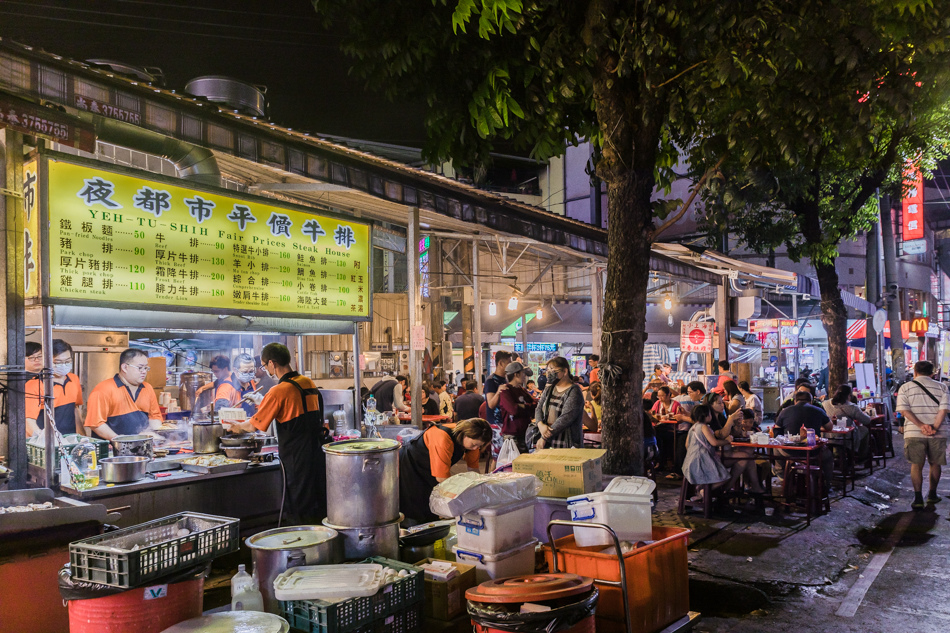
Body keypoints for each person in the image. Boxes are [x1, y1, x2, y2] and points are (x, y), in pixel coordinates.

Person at [223, 343, 328, 524]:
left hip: (295, 460)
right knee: (317, 506)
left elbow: (253, 426)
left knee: (298, 509)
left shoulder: (279, 390)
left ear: (272, 363)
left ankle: (300, 549)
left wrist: (235, 427)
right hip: (316, 455)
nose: (264, 369)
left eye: (264, 366)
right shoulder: (307, 382)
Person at [399, 418, 493, 523]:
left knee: (430, 504)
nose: (476, 448)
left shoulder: (472, 443)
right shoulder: (442, 437)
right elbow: (442, 478)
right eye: (474, 444)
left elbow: (474, 470)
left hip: (430, 467)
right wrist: (461, 497)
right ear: (465, 435)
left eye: (479, 446)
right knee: (414, 505)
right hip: (410, 464)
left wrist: (479, 489)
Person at [896, 360, 949, 510]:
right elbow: (943, 410)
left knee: (916, 465)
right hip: (938, 433)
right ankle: (932, 494)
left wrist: (921, 426)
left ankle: (918, 498)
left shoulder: (905, 388)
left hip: (914, 432)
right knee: (935, 463)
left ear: (915, 372)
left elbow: (904, 411)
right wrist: (933, 428)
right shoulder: (942, 387)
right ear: (933, 373)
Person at [85, 348, 163, 440]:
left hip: (142, 447)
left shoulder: (148, 388)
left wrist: (154, 435)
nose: (144, 371)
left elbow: (154, 416)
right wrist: (119, 440)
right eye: (140, 367)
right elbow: (96, 424)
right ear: (125, 367)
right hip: (113, 449)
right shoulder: (103, 390)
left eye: (146, 368)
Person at [25, 339, 84, 437]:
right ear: (46, 361)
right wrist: (45, 442)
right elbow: (28, 421)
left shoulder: (74, 379)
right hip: (46, 444)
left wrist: (82, 435)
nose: (64, 365)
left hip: (70, 440)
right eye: (58, 362)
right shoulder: (34, 385)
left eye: (68, 361)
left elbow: (75, 409)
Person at [530, 356, 585, 450]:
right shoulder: (549, 389)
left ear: (565, 371)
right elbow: (539, 408)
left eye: (552, 369)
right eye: (548, 370)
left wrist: (544, 437)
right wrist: (540, 425)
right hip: (549, 442)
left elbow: (565, 418)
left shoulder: (574, 391)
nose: (549, 373)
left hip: (567, 444)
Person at [681, 404, 732, 499]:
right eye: (710, 414)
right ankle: (703, 490)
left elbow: (686, 445)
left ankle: (701, 490)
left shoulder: (693, 427)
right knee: (725, 477)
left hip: (689, 463)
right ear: (706, 416)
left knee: (720, 474)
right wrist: (727, 441)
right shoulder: (704, 427)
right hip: (702, 462)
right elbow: (714, 443)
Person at [822, 384, 872, 462]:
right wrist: (866, 413)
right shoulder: (852, 407)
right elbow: (866, 420)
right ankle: (861, 456)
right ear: (849, 395)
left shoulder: (825, 403)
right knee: (865, 430)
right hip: (846, 436)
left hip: (827, 436)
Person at [499, 361, 537, 452]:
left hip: (525, 432)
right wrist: (527, 407)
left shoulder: (522, 390)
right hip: (512, 436)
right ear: (516, 374)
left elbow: (535, 406)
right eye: (523, 373)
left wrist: (522, 406)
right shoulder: (505, 391)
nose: (525, 376)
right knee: (513, 464)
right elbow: (513, 410)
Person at [484, 351, 512, 428]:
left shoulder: (506, 380)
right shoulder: (491, 380)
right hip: (496, 425)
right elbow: (491, 404)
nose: (510, 366)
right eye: (509, 363)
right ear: (500, 363)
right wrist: (498, 392)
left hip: (507, 423)